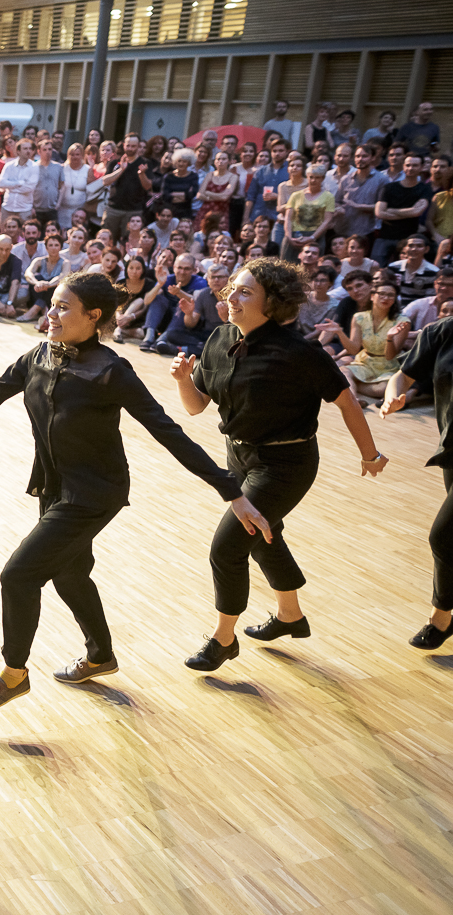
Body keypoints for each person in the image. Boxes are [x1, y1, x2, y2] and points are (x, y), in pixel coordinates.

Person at [0, 272, 268, 707]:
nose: (52, 314)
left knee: (18, 575)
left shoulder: (110, 369)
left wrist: (231, 490)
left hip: (94, 493)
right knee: (70, 572)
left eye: (63, 307)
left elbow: (167, 431)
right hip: (53, 486)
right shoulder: (40, 355)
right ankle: (100, 656)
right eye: (53, 304)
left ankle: (13, 673)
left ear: (93, 316)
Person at [170, 259, 387, 670]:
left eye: (245, 291)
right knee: (266, 537)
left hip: (285, 462)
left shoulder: (300, 352)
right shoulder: (220, 338)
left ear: (273, 303)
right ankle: (291, 616)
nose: (231, 296)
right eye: (232, 287)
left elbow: (347, 401)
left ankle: (223, 639)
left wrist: (370, 454)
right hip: (238, 455)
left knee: (229, 547)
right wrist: (184, 380)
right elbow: (197, 407)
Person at [381, 316, 453, 648]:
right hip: (451, 448)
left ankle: (441, 618)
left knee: (444, 535)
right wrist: (394, 397)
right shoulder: (442, 331)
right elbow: (402, 375)